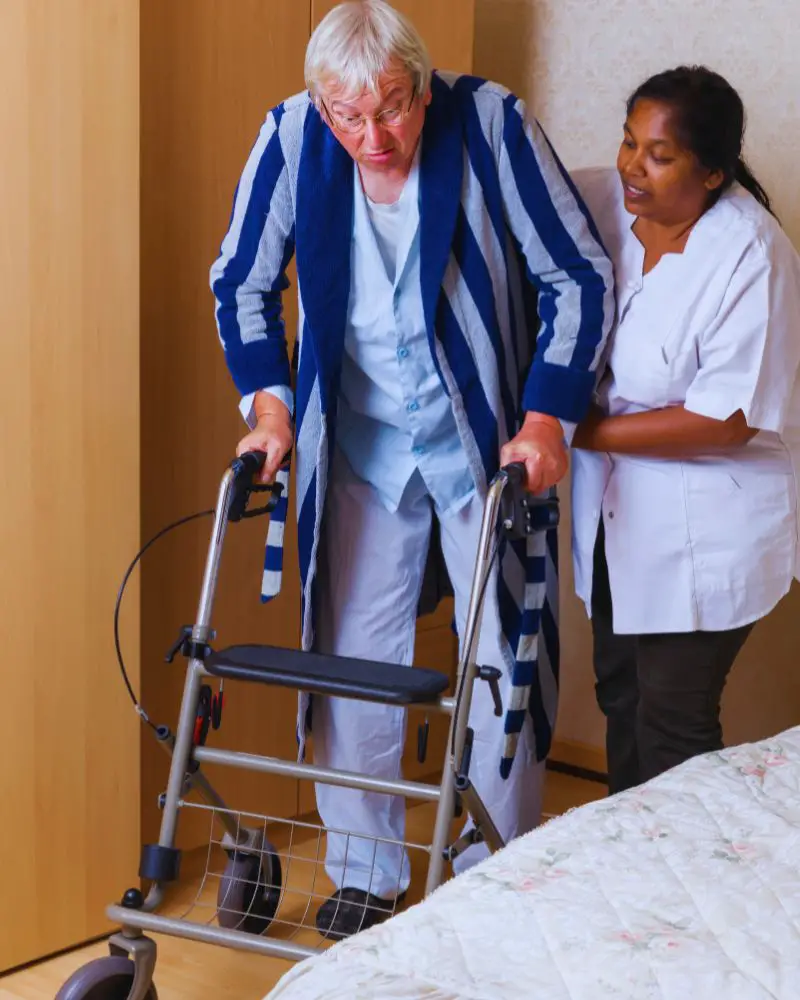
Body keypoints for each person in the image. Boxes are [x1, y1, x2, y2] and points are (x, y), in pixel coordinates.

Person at [211, 0, 613, 939]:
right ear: (321, 102)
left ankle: (489, 876)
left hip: (485, 442)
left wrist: (549, 417)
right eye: (348, 115)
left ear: (424, 88)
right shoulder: (292, 135)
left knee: (500, 655)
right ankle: (365, 873)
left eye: (391, 108)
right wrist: (269, 408)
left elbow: (578, 275)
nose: (372, 135)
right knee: (355, 656)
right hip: (361, 442)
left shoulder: (489, 123)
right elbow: (242, 279)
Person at [570, 66, 800, 795]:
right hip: (618, 515)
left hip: (712, 520)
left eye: (660, 156)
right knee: (621, 697)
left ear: (712, 173)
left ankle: (683, 891)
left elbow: (725, 420)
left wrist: (577, 432)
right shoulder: (600, 202)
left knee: (673, 715)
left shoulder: (750, 253)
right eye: (629, 142)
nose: (634, 167)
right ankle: (626, 871)